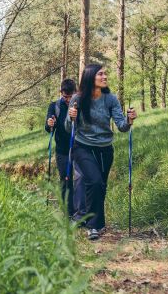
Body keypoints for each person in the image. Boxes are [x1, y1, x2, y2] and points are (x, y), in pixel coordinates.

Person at [65, 64, 137, 240]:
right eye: (101, 74)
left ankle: (99, 222)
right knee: (94, 182)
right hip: (83, 147)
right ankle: (92, 226)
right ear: (90, 77)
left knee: (101, 187)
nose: (105, 77)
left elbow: (121, 127)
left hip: (105, 149)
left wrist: (129, 120)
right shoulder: (77, 99)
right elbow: (68, 128)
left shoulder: (110, 99)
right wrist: (70, 117)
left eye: (105, 74)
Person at [45, 78, 77, 217]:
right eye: (65, 97)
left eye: (71, 96)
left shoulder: (80, 104)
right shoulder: (55, 106)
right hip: (62, 150)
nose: (68, 100)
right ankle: (68, 212)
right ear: (61, 93)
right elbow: (48, 128)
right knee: (65, 179)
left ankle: (80, 211)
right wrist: (50, 123)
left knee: (80, 180)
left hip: (80, 148)